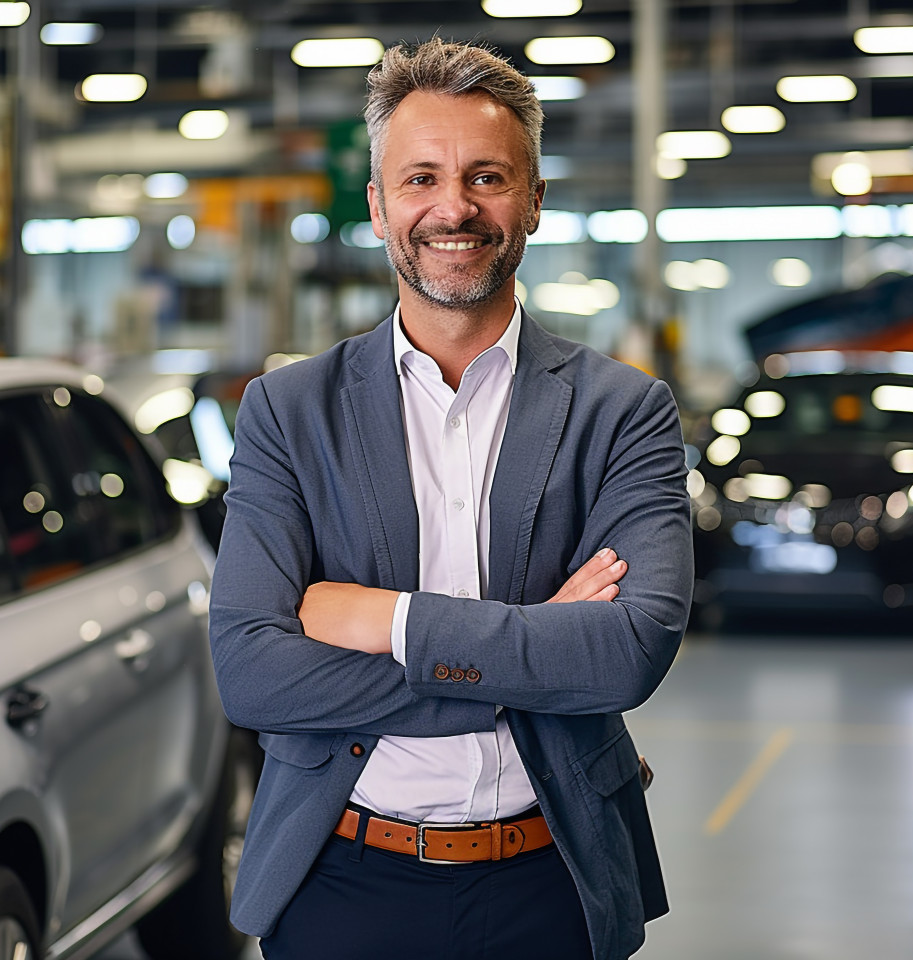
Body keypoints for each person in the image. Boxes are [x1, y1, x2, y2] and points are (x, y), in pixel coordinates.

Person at [209, 38, 693, 960]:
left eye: (487, 177)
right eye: (421, 178)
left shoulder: (624, 411)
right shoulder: (288, 410)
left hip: (554, 879)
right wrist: (532, 654)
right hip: (340, 876)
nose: (455, 208)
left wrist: (383, 619)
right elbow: (251, 671)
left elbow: (626, 654)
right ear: (380, 206)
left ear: (535, 200)